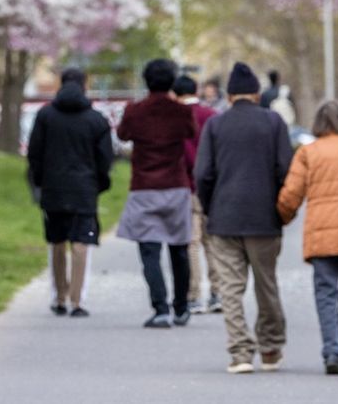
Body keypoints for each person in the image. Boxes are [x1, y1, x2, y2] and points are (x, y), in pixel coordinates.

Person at [195, 62, 294, 374]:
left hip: (224, 218)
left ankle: (239, 353)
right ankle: (269, 348)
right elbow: (284, 170)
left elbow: (203, 174)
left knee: (230, 288)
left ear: (229, 95)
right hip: (264, 218)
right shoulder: (274, 123)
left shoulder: (215, 125)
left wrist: (211, 206)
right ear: (256, 93)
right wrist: (279, 207)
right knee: (266, 285)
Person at [276, 101, 338, 376]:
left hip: (322, 232)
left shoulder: (309, 151)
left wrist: (282, 216)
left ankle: (332, 350)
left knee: (326, 294)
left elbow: (291, 193)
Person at [116, 59, 198, 328]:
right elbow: (191, 133)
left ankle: (160, 308)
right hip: (175, 184)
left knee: (149, 251)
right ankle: (182, 307)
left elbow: (123, 134)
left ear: (146, 80)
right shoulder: (181, 112)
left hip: (144, 186)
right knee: (179, 248)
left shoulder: (135, 111)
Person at [27, 67, 114, 317]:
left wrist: (41, 182)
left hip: (53, 189)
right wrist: (99, 184)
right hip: (85, 190)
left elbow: (35, 153)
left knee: (56, 242)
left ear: (61, 84)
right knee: (80, 243)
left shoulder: (45, 116)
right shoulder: (96, 120)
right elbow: (105, 159)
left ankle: (59, 296)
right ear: (84, 85)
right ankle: (78, 300)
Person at [174, 74, 221, 315]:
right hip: (211, 187)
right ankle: (217, 292)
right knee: (212, 241)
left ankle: (193, 295)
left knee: (191, 242)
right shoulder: (211, 116)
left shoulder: (175, 118)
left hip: (185, 185)